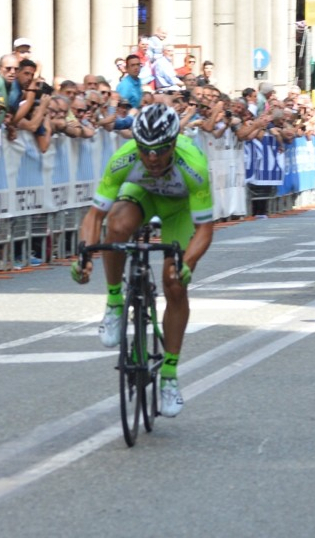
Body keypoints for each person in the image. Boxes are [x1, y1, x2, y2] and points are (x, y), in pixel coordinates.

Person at [71, 104, 215, 418]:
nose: (151, 157)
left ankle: (169, 376)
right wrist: (84, 254)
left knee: (174, 284)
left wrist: (186, 262)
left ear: (174, 144)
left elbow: (205, 229)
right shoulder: (124, 158)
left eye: (160, 150)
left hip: (178, 209)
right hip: (141, 194)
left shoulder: (194, 166)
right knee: (117, 226)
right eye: (145, 150)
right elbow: (94, 216)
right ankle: (114, 303)